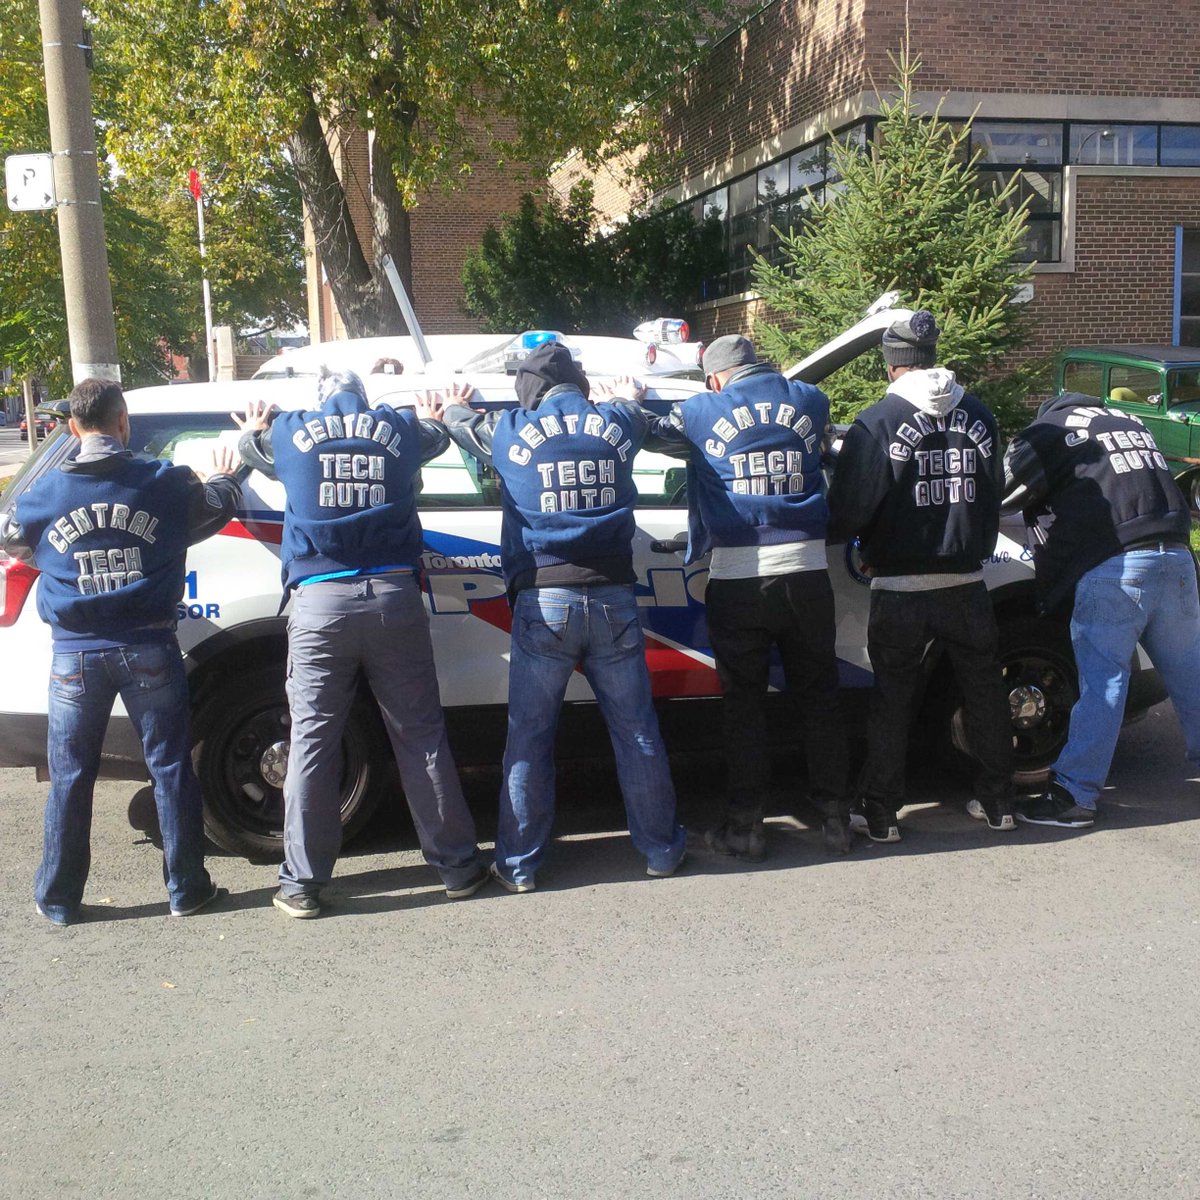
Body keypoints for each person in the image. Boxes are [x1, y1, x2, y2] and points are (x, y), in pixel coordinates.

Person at [235, 372, 486, 917]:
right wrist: (436, 416)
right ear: (364, 399)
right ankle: (459, 867)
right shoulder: (395, 428)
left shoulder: (291, 430)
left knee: (313, 741)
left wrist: (253, 429)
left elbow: (250, 449)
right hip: (393, 595)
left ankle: (302, 885)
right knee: (419, 734)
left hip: (321, 602)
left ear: (321, 399)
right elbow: (437, 438)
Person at [438, 341, 687, 891]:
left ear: (530, 389)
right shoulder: (618, 423)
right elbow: (635, 410)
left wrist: (452, 407)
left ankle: (520, 866)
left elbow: (466, 429)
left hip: (543, 600)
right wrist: (627, 395)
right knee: (637, 731)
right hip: (614, 596)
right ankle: (662, 850)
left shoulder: (509, 431)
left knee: (528, 736)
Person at [0, 378, 240, 925]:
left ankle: (59, 898)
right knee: (171, 767)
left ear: (72, 428)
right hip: (148, 647)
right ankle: (187, 890)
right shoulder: (163, 482)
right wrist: (226, 475)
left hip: (75, 657)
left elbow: (13, 539)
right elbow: (213, 509)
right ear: (123, 421)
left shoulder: (45, 494)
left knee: (71, 775)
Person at [638, 334, 851, 861]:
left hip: (739, 578)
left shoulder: (699, 409)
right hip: (806, 572)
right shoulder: (809, 398)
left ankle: (746, 826)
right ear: (757, 365)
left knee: (744, 706)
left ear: (715, 378)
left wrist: (633, 400)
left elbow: (652, 435)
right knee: (820, 699)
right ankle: (836, 819)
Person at [827, 310, 1014, 843]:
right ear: (931, 360)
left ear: (891, 367)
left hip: (901, 588)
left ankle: (883, 814)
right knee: (984, 693)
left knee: (893, 699)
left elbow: (850, 508)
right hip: (967, 583)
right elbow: (993, 493)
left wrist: (857, 542)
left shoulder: (877, 421)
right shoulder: (978, 413)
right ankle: (1000, 803)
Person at [1003, 390, 1200, 827]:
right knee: (1193, 677)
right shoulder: (1129, 421)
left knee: (1103, 683)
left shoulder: (1051, 430)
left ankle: (1076, 795)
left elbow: (1004, 491)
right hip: (1177, 555)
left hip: (1117, 563)